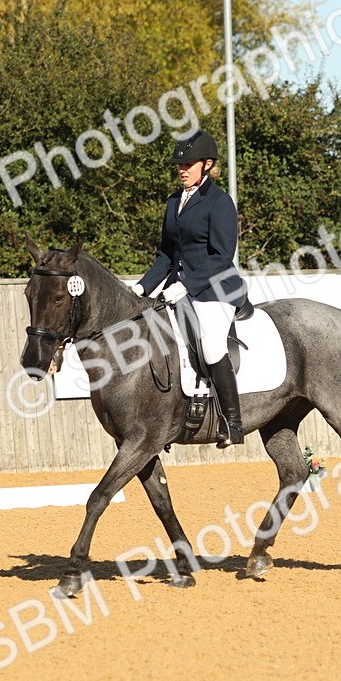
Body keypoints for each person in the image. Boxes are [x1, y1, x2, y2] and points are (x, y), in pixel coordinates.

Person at [133, 130, 247, 447]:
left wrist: (186, 285)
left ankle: (233, 423)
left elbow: (221, 256)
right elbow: (166, 255)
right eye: (179, 165)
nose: (182, 170)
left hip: (215, 290)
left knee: (211, 345)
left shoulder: (220, 202)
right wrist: (142, 288)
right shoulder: (174, 202)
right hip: (176, 289)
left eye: (188, 164)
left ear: (207, 164)